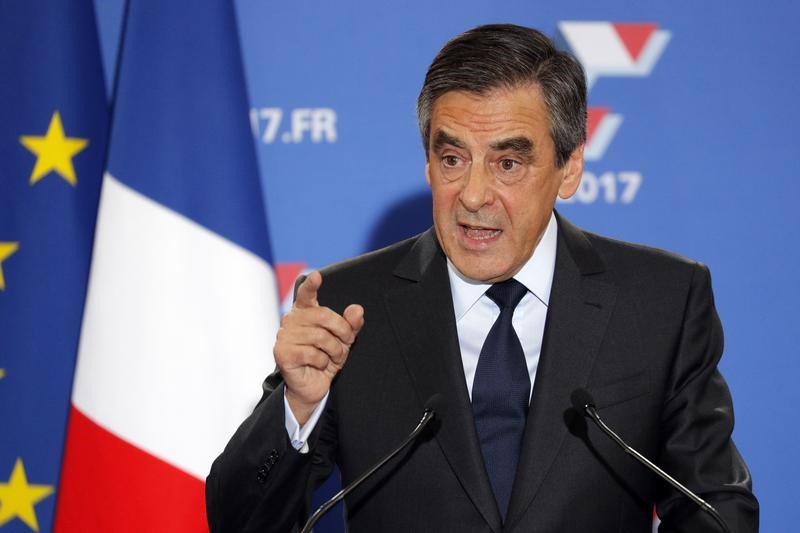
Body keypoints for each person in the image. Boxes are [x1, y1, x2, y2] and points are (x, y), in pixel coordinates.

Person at [206, 24, 758, 532]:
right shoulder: (351, 309)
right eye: (452, 159)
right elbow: (238, 521)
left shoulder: (660, 301)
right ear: (428, 163)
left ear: (570, 168)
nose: (472, 195)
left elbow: (716, 509)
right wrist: (297, 409)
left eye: (508, 164)